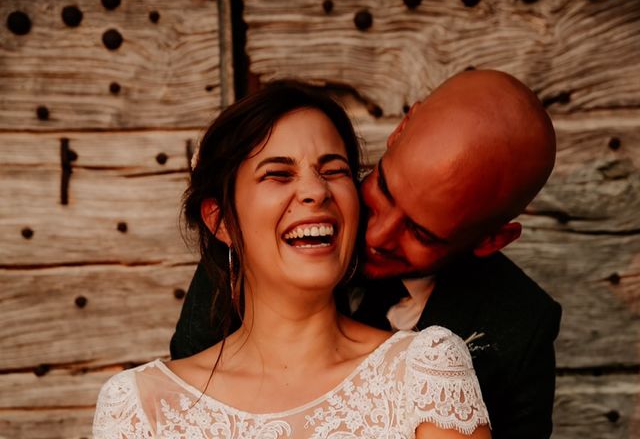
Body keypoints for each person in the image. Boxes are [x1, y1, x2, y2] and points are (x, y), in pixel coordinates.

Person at [171, 70, 562, 439]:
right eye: (385, 189)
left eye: (419, 233)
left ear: (491, 240)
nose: (376, 234)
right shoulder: (261, 249)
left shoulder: (520, 326)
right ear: (401, 129)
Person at [93, 81, 491, 438]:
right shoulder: (141, 407)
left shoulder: (425, 372)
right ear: (220, 220)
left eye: (334, 171)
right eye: (278, 174)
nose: (315, 191)